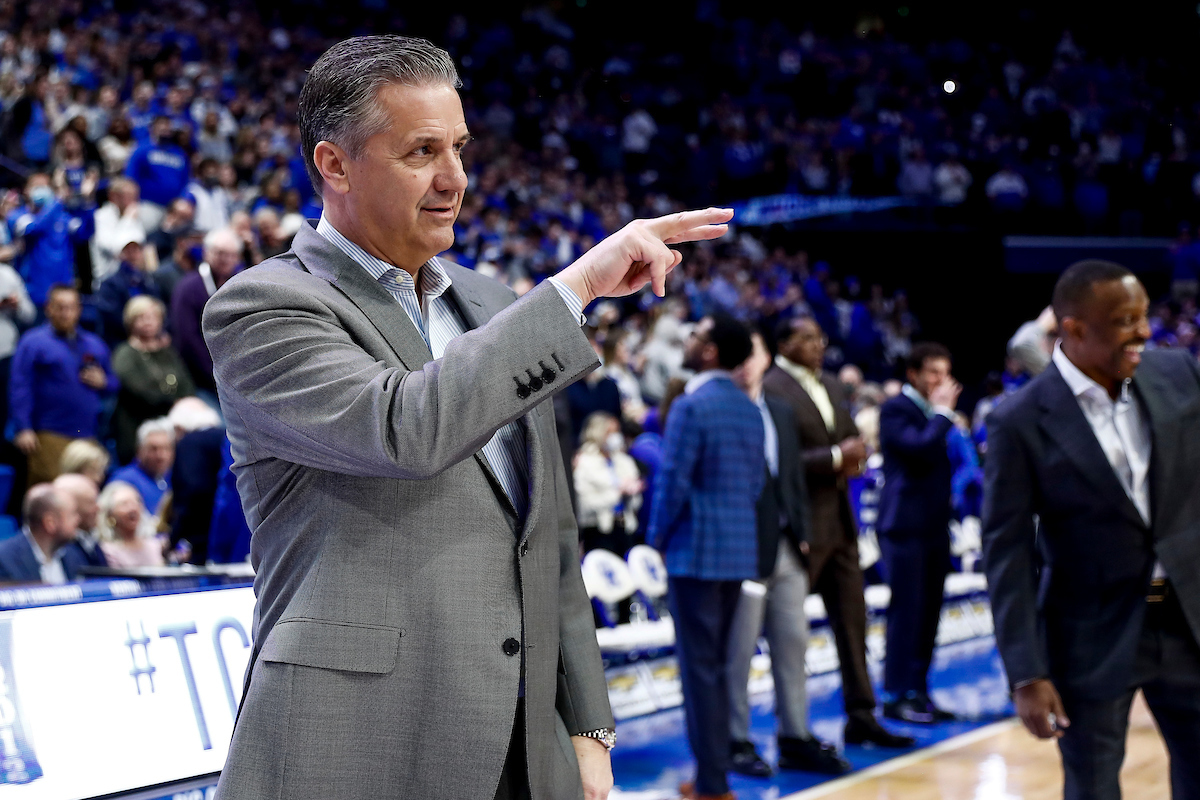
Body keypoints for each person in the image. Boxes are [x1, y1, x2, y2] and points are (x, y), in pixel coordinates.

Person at [202, 35, 731, 800]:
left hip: (520, 743)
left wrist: (587, 728)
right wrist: (576, 285)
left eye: (460, 148)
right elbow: (405, 429)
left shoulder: (491, 307)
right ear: (334, 165)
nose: (455, 179)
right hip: (353, 739)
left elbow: (547, 534)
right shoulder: (265, 306)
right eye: (421, 152)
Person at [983, 260, 1200, 800]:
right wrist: (1026, 674)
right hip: (1089, 632)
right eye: (1126, 320)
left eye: (1145, 316)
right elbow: (1006, 552)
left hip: (1188, 620)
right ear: (1074, 329)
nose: (1145, 332)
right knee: (1093, 788)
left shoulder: (1178, 373)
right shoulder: (1019, 420)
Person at [763, 316, 913, 748]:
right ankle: (793, 728)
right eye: (806, 337)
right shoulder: (772, 387)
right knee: (790, 632)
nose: (817, 344)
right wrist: (834, 457)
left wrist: (854, 452)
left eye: (820, 337)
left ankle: (862, 715)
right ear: (785, 342)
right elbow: (783, 461)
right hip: (802, 526)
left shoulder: (830, 384)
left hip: (842, 523)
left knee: (853, 623)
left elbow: (850, 439)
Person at [647, 313, 763, 800]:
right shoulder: (751, 408)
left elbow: (672, 482)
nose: (690, 341)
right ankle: (715, 778)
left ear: (712, 351)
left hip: (694, 553)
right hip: (737, 553)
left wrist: (655, 537)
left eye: (698, 336)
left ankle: (712, 783)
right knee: (719, 667)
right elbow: (757, 484)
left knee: (700, 673)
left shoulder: (692, 406)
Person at [726, 329, 850, 779]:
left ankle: (795, 736)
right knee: (738, 653)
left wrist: (803, 532)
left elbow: (793, 478)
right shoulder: (720, 410)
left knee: (793, 645)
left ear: (764, 358)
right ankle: (734, 740)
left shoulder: (778, 411)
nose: (743, 362)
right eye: (734, 355)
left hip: (786, 547)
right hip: (740, 552)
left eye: (750, 352)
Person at [876, 342, 961, 723]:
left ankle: (920, 691)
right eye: (933, 373)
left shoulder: (933, 415)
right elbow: (919, 447)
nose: (941, 382)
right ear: (913, 374)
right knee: (906, 612)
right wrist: (943, 414)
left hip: (934, 526)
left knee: (929, 614)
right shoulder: (897, 409)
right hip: (904, 527)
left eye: (945, 373)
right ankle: (895, 695)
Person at [10, 284, 117, 486]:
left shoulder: (94, 343)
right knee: (52, 495)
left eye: (71, 307)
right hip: (49, 434)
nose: (66, 313)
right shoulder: (33, 342)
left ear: (79, 309)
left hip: (87, 435)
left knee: (87, 493)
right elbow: (20, 386)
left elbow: (114, 382)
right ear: (48, 308)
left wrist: (104, 382)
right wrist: (23, 427)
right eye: (60, 307)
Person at [111, 296, 194, 463]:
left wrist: (184, 402)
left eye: (153, 317)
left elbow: (186, 384)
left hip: (172, 422)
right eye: (141, 317)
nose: (148, 322)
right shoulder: (125, 353)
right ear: (130, 321)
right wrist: (174, 402)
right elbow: (140, 391)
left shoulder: (167, 352)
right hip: (138, 423)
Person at [172, 227, 241, 395]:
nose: (225, 259)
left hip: (235, 378)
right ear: (206, 252)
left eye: (231, 255)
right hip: (200, 380)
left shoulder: (239, 285)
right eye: (220, 253)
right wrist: (216, 376)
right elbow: (187, 339)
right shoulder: (189, 288)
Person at [573, 411, 642, 556]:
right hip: (599, 530)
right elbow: (585, 505)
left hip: (625, 526)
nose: (616, 437)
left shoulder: (623, 460)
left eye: (617, 431)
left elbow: (636, 501)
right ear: (598, 433)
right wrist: (618, 492)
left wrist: (633, 491)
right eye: (611, 432)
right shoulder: (584, 463)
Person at [94, 234, 169, 346]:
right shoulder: (109, 284)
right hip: (121, 342)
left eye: (136, 249)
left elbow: (160, 307)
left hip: (151, 339)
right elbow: (112, 318)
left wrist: (158, 331)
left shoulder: (149, 281)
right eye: (128, 250)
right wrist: (140, 329)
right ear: (120, 254)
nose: (133, 254)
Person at [0, 483, 78, 584]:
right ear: (50, 523)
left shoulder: (72, 553)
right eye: (72, 514)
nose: (78, 520)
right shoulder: (5, 560)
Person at [110, 417, 175, 517]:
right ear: (139, 450)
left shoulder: (173, 477)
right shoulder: (124, 480)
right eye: (154, 449)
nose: (161, 455)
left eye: (166, 448)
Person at [89, 176, 146, 286]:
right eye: (129, 196)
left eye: (135, 196)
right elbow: (114, 248)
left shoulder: (134, 216)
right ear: (113, 197)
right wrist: (128, 220)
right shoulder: (101, 216)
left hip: (132, 280)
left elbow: (138, 249)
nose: (133, 201)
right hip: (106, 281)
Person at [96, 480, 164, 568]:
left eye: (137, 502)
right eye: (124, 504)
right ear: (110, 514)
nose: (133, 509)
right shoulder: (107, 551)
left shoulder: (154, 545)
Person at [53, 471, 108, 575]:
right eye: (91, 502)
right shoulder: (59, 547)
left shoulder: (91, 540)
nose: (98, 508)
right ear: (71, 506)